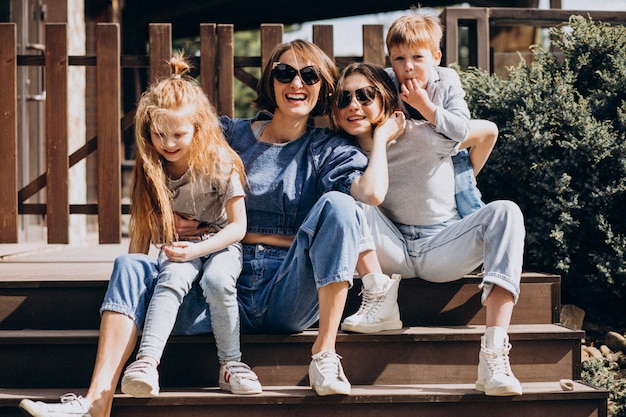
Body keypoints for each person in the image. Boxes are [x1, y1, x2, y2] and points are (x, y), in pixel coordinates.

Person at [18, 39, 397, 417]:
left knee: (341, 205)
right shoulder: (229, 135)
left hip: (287, 293)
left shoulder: (328, 149)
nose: (296, 83)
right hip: (212, 290)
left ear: (323, 87)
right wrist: (170, 215)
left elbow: (371, 193)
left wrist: (380, 137)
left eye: (309, 74)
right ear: (271, 81)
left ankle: (324, 354)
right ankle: (96, 402)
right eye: (285, 72)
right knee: (130, 266)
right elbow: (167, 123)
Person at [333, 13, 525, 398]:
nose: (407, 68)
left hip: (442, 246)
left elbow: (476, 129)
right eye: (399, 59)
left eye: (418, 58)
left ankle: (493, 354)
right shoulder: (379, 95)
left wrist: (429, 111)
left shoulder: (445, 89)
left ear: (436, 56)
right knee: (347, 202)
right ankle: (379, 299)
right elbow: (357, 112)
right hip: (390, 248)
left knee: (507, 211)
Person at [119, 53, 261, 398]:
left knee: (217, 281)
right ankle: (146, 362)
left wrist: (198, 248)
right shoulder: (152, 166)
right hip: (179, 245)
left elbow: (238, 227)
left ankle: (231, 364)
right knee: (171, 278)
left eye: (178, 134)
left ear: (199, 129)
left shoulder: (220, 161)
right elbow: (142, 229)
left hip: (220, 242)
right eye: (159, 134)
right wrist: (136, 276)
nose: (168, 144)